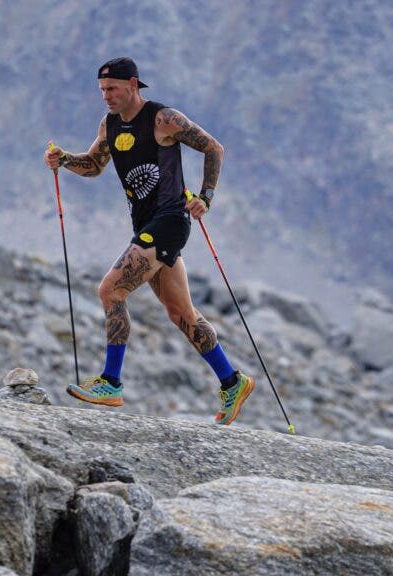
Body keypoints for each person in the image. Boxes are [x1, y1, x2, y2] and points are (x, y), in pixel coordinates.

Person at [44, 57, 255, 426]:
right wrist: (63, 159)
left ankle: (111, 383)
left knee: (111, 290)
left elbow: (214, 148)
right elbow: (94, 166)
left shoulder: (163, 119)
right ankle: (233, 381)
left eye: (112, 89)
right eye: (102, 90)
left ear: (133, 85)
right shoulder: (109, 125)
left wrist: (205, 197)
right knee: (181, 314)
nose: (106, 96)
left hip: (170, 221)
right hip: (146, 225)